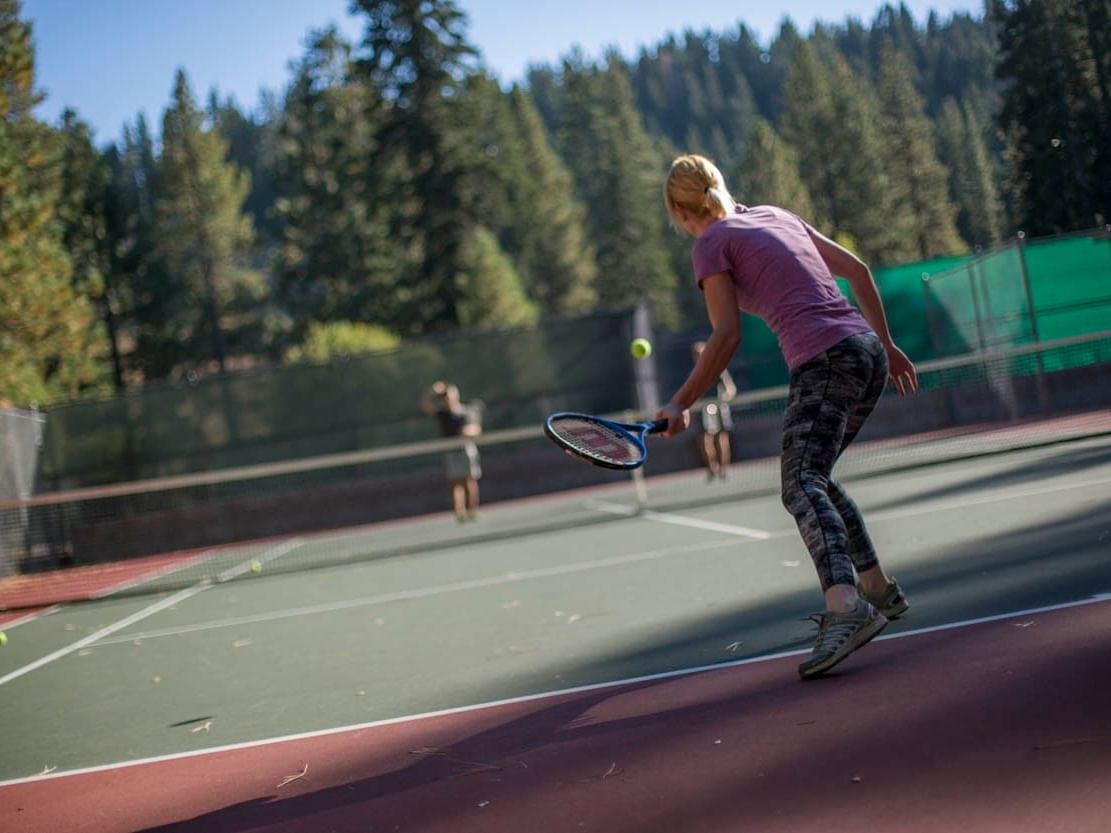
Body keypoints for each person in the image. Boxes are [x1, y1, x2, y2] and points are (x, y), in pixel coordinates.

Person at [658, 154, 918, 679]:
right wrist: (886, 345)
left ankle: (846, 608)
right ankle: (875, 587)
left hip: (823, 358)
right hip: (864, 352)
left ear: (684, 213)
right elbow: (859, 272)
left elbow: (726, 334)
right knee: (817, 477)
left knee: (799, 483)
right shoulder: (775, 214)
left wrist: (679, 401)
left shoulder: (710, 243)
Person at [420, 381, 483, 522]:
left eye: (450, 396)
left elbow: (476, 429)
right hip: (450, 452)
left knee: (469, 481)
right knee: (455, 483)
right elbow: (425, 404)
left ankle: (472, 510)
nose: (448, 400)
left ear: (456, 396)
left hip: (466, 449)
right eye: (445, 397)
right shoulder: (442, 414)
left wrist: (468, 431)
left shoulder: (466, 411)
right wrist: (433, 390)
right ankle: (459, 512)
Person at [690, 340, 737, 481]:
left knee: (722, 439)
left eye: (702, 353)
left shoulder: (719, 368)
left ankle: (724, 468)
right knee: (704, 439)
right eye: (697, 354)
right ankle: (712, 466)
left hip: (719, 409)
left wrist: (723, 399)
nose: (700, 356)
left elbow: (731, 389)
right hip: (703, 410)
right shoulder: (694, 373)